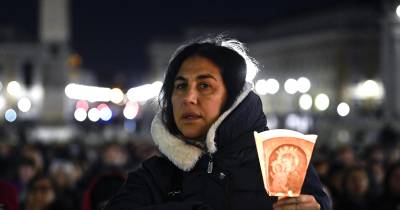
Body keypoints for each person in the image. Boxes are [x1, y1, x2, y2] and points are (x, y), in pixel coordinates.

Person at [104, 36, 331, 210]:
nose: (188, 98)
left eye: (204, 86)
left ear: (233, 97)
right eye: (180, 86)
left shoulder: (282, 163)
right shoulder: (154, 176)